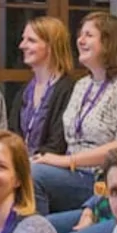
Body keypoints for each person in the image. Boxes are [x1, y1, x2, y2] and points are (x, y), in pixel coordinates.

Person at [31, 11, 117, 222]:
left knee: (34, 174)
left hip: (102, 178)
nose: (80, 40)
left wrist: (67, 161)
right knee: (20, 171)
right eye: (80, 35)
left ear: (109, 42)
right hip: (73, 173)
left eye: (88, 35)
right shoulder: (82, 84)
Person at [13, 17, 78, 209]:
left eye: (31, 40)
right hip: (25, 163)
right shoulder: (25, 91)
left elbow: (58, 143)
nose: (22, 45)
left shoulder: (68, 89)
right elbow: (13, 134)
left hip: (50, 167)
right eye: (23, 39)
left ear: (51, 46)